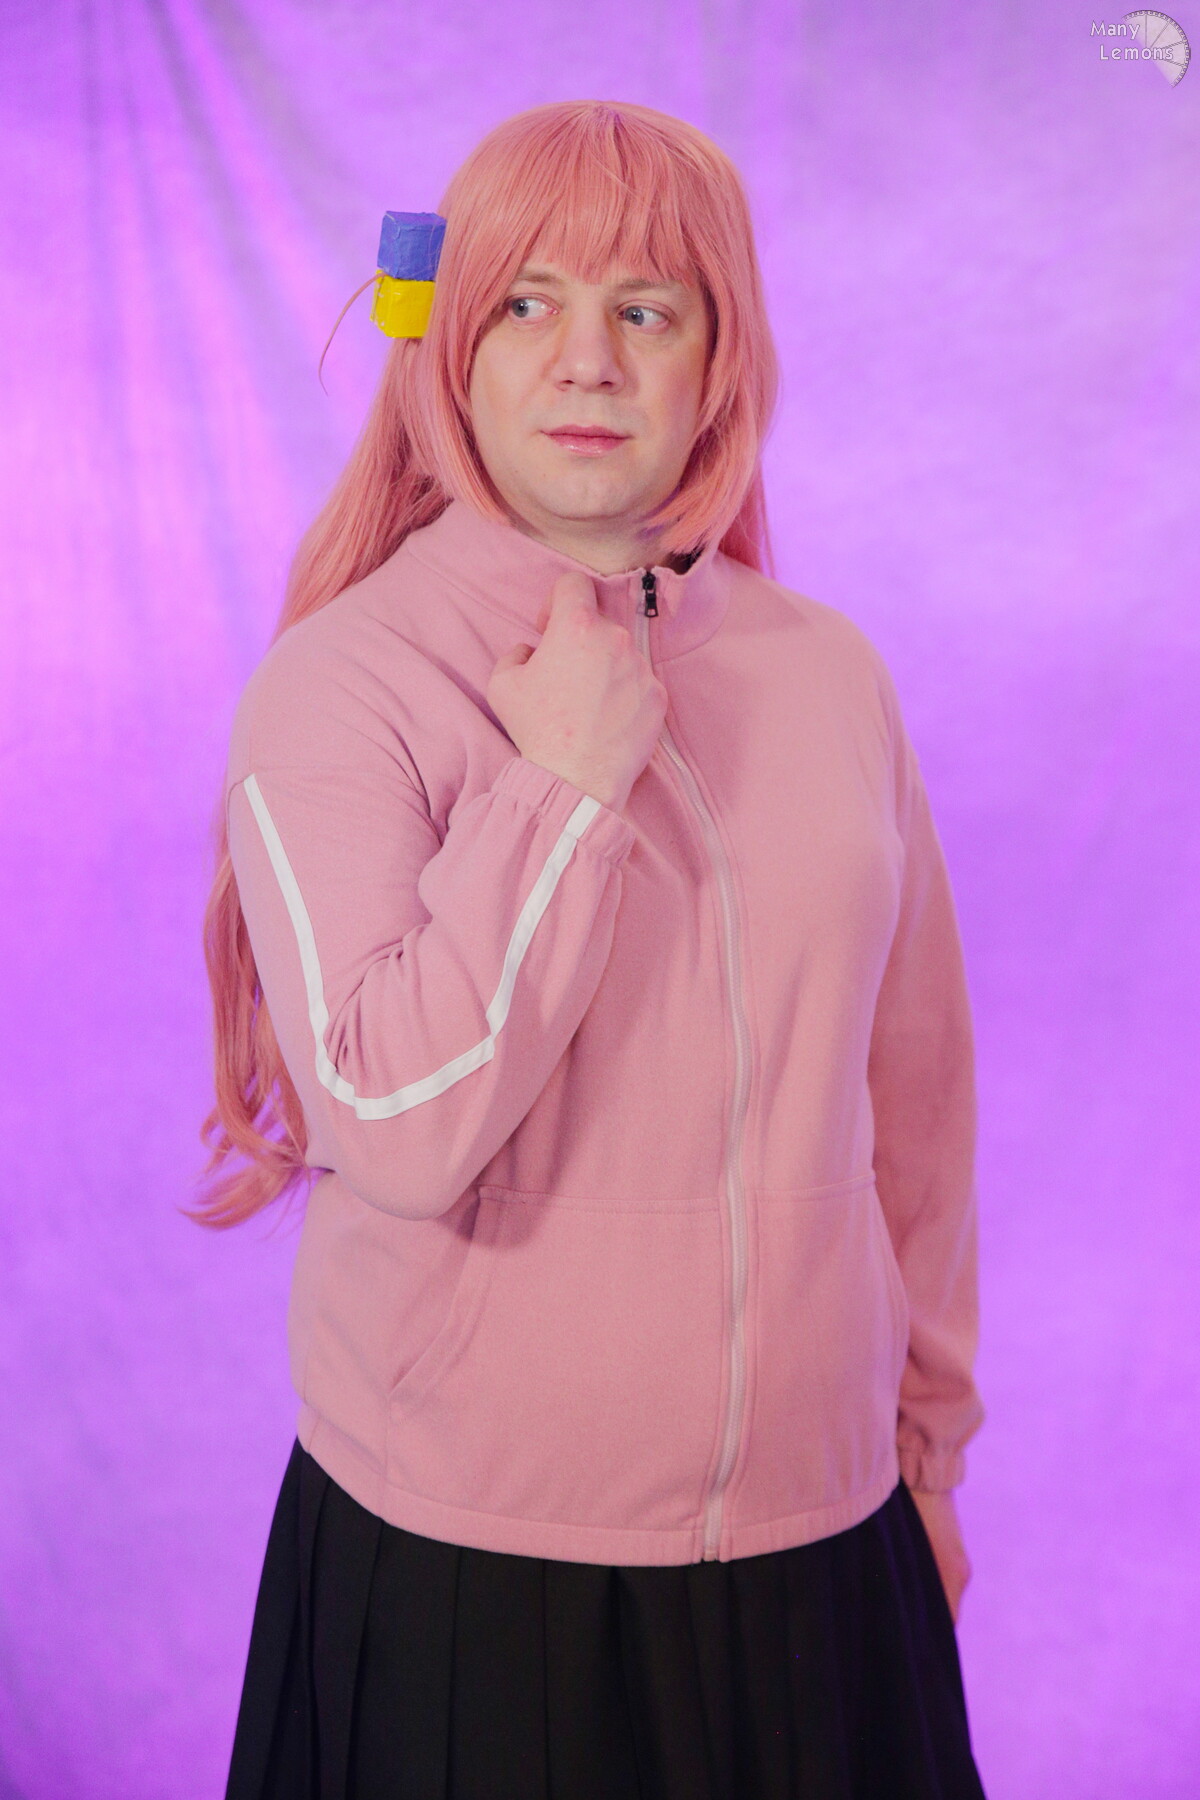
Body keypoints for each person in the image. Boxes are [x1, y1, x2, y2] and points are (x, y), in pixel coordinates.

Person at [197, 98, 987, 1800]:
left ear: (719, 357)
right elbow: (396, 1126)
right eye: (527, 304)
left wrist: (926, 1459)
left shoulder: (829, 674)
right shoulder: (346, 688)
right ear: (451, 346)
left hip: (828, 1555)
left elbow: (914, 1108)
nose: (588, 361)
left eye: (647, 308)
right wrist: (561, 782)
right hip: (473, 1585)